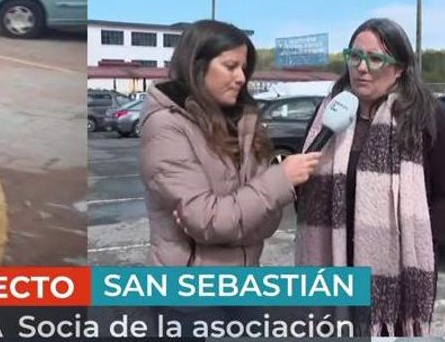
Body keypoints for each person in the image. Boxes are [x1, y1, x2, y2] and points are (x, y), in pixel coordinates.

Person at [295, 18, 445, 336]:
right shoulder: (328, 113)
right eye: (355, 56)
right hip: (333, 266)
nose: (361, 67)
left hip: (396, 271)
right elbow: (306, 185)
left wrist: (412, 241)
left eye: (375, 59)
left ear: (399, 68)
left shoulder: (425, 116)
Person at [138, 20, 321, 267]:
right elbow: (210, 222)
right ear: (197, 66)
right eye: (230, 66)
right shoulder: (166, 126)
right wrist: (281, 179)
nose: (241, 78)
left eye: (244, 69)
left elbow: (265, 223)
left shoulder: (244, 124)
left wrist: (228, 224)